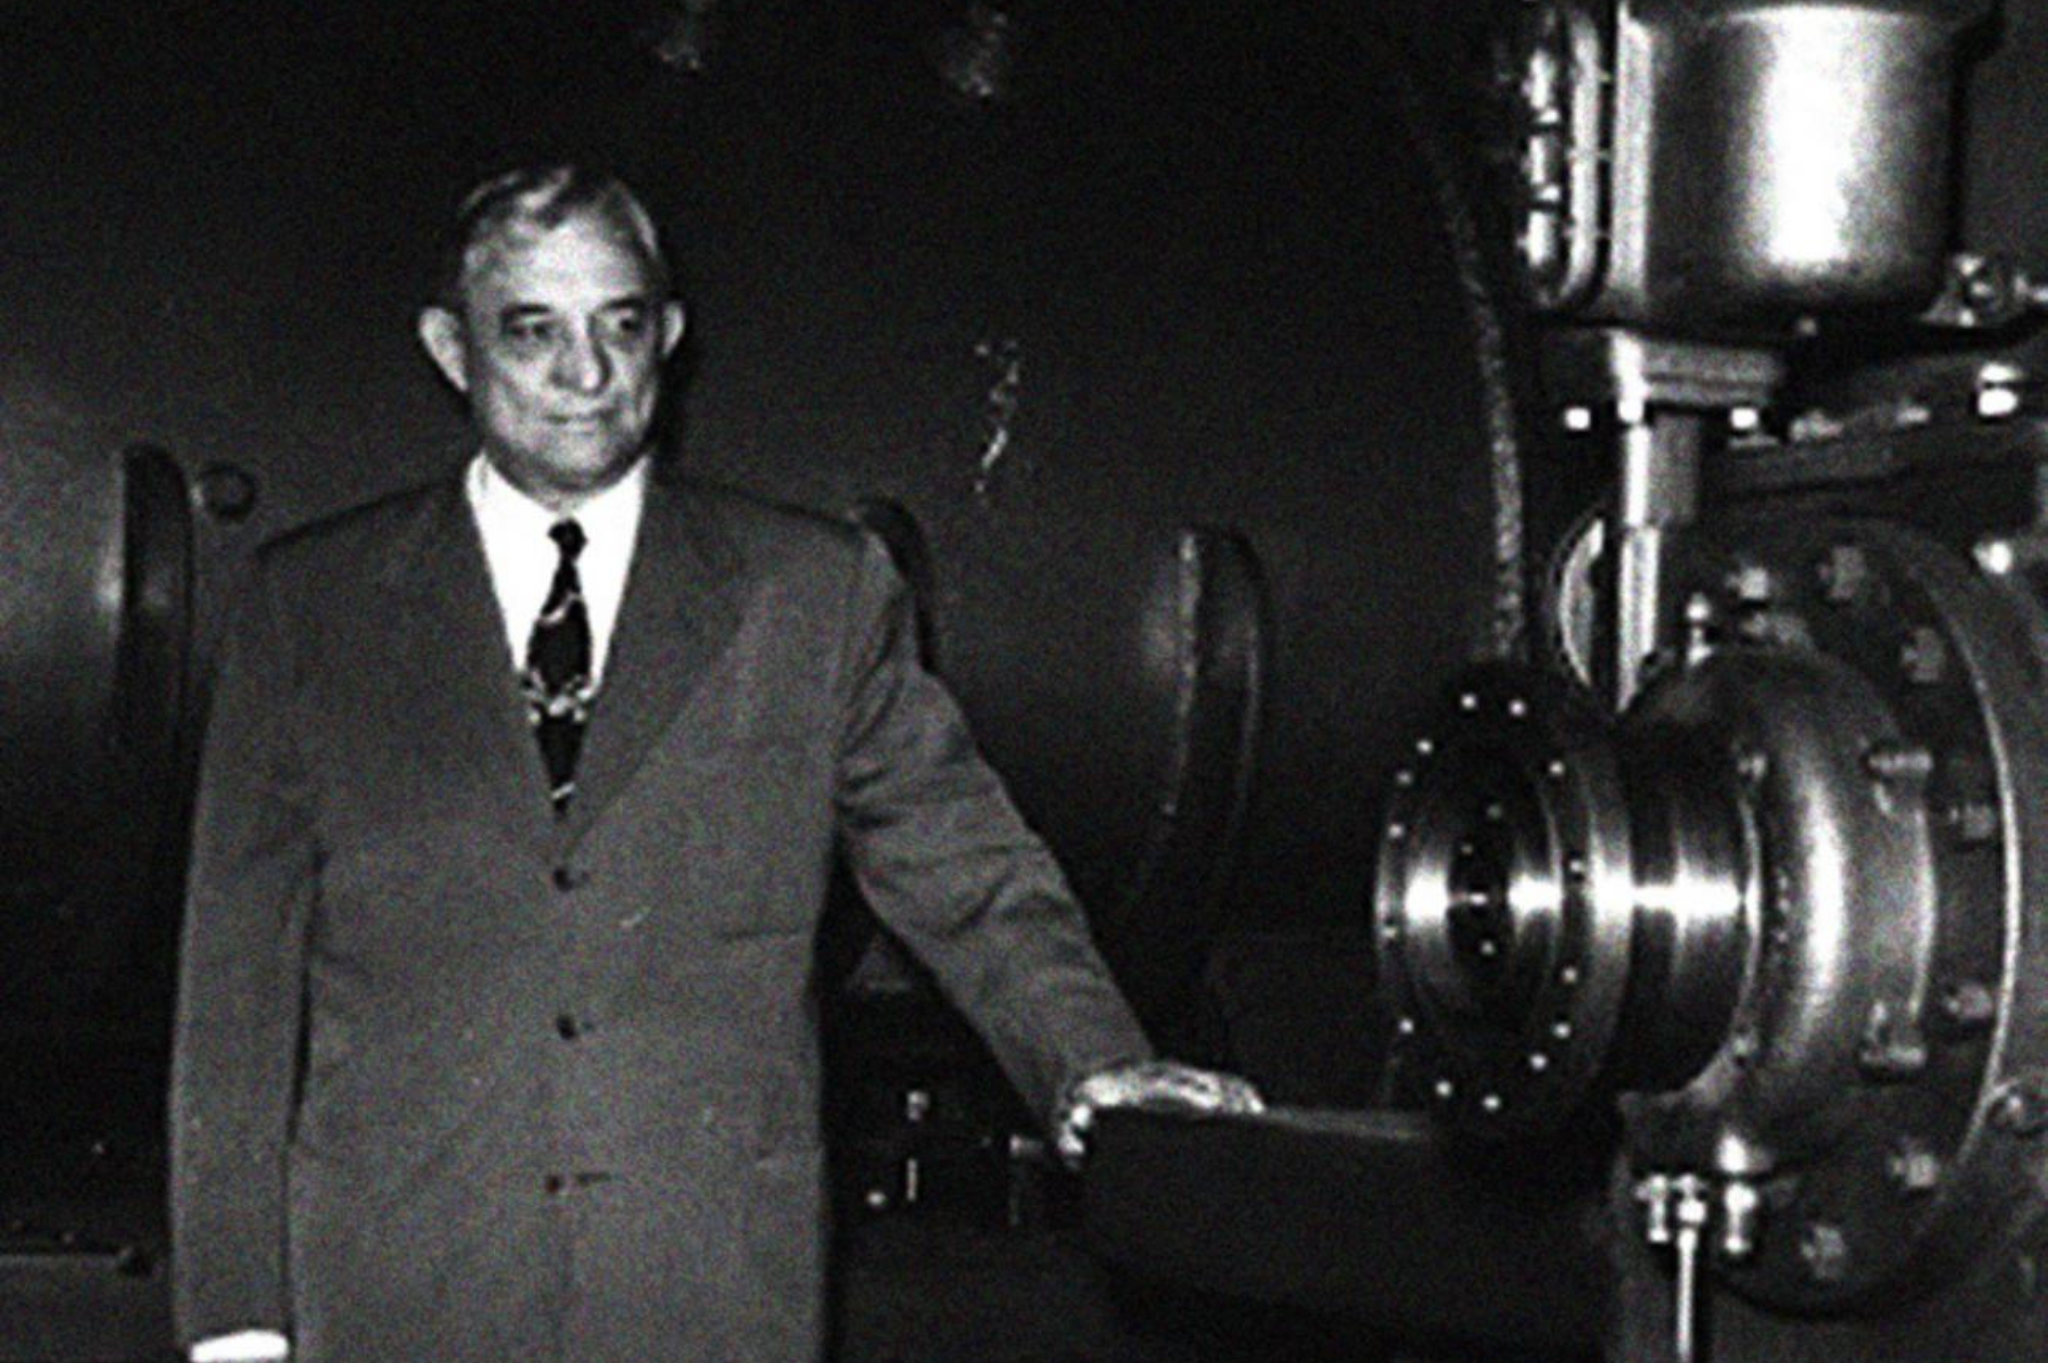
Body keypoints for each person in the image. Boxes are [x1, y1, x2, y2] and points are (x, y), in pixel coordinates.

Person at [170, 163, 1262, 1362]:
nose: (585, 374)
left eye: (619, 325)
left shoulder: (814, 592)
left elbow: (970, 871)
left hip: (706, 1297)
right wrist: (235, 1321)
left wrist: (1100, 1066)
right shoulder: (310, 606)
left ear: (670, 336)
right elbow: (235, 991)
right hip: (397, 1296)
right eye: (531, 330)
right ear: (449, 347)